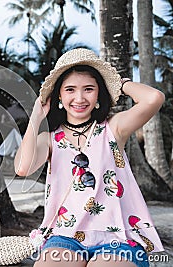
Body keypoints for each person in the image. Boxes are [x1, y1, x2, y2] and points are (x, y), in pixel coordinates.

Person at [14, 48, 164, 267]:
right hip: (65, 237)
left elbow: (153, 98)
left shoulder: (113, 128)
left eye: (89, 89)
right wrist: (36, 118)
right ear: (59, 95)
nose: (79, 98)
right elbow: (22, 168)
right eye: (70, 90)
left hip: (117, 239)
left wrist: (118, 82)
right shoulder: (49, 139)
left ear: (98, 95)